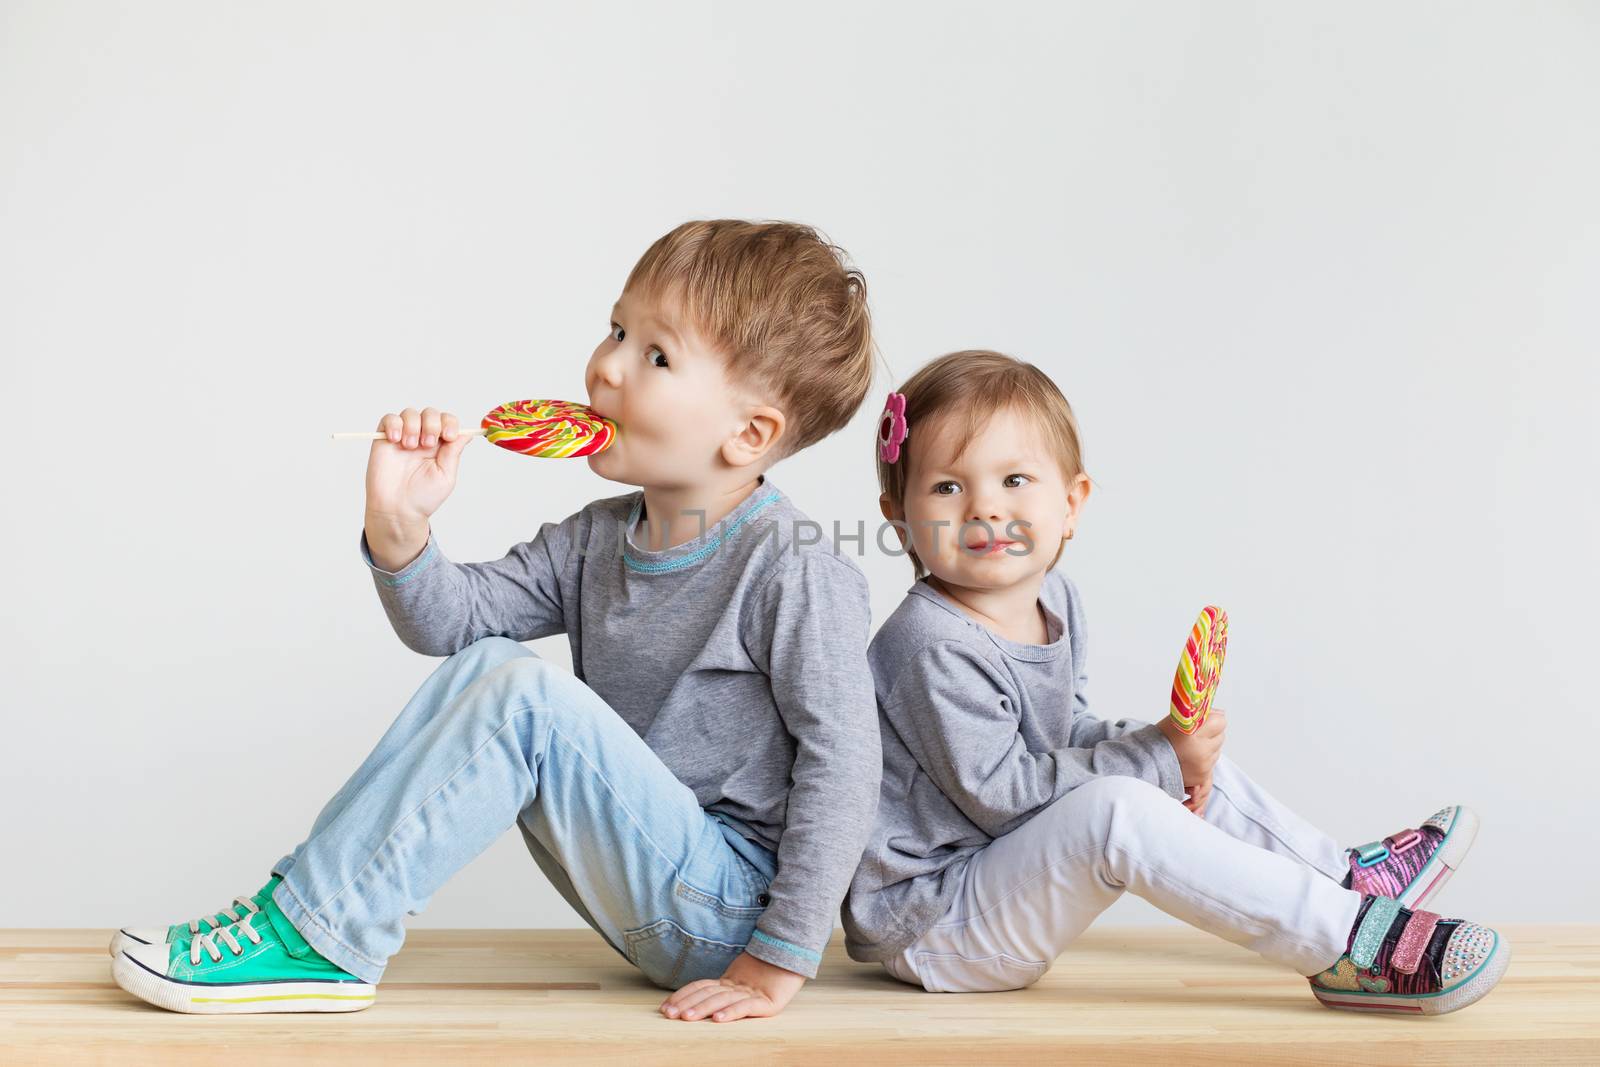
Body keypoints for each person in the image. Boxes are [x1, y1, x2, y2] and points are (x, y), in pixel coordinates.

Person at [111, 219, 884, 1024]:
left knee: (526, 698)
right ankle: (309, 909)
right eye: (618, 329)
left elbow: (847, 765)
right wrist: (399, 525)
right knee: (487, 668)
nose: (608, 365)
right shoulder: (597, 537)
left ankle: (321, 937)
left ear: (748, 433)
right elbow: (456, 623)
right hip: (651, 878)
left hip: (729, 911)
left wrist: (778, 960)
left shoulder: (795, 570)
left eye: (656, 355)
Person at [841, 349, 1508, 1015]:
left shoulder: (1055, 597)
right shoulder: (930, 644)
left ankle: (1343, 879)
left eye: (1015, 478)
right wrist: (1158, 757)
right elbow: (1004, 797)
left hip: (996, 879)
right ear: (901, 518)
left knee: (1150, 747)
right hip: (933, 920)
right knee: (1120, 804)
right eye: (947, 488)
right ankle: (1350, 947)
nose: (985, 506)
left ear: (1071, 504)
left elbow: (1068, 732)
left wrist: (1168, 746)